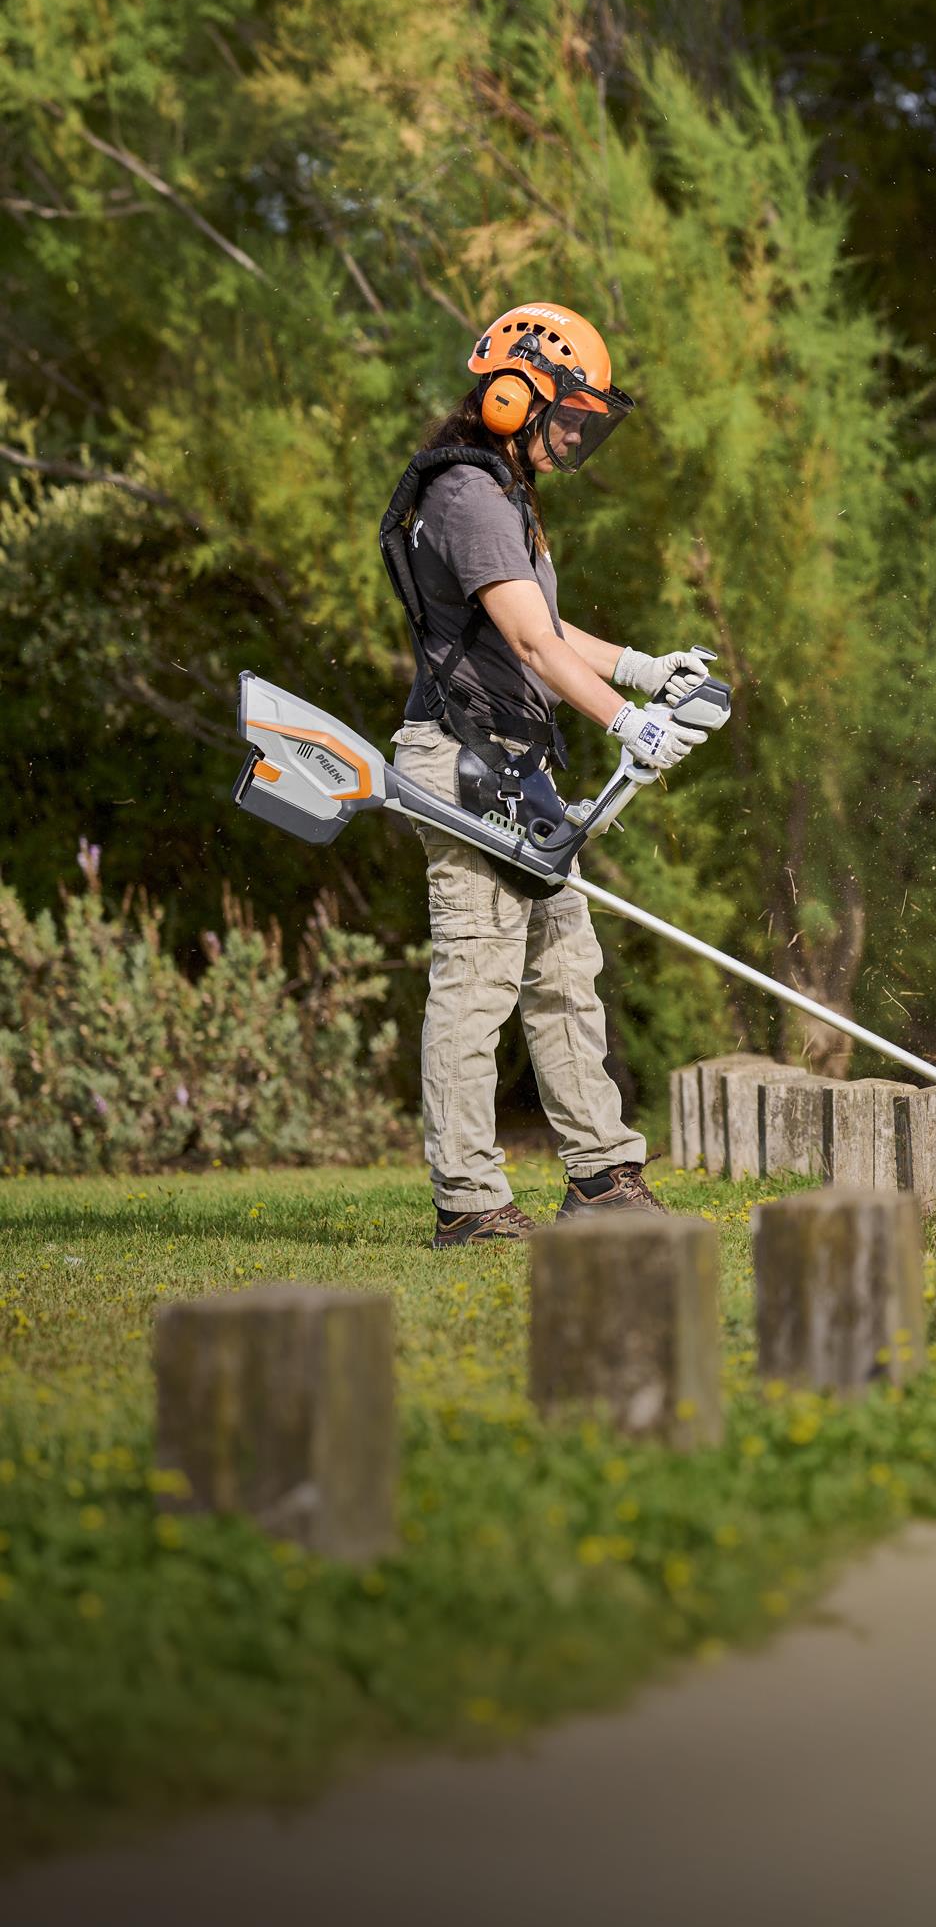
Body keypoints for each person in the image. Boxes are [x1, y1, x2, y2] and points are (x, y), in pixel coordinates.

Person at [382, 302, 715, 1248]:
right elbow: (530, 644)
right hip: (461, 759)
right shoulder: (470, 496)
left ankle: (602, 1177)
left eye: (585, 422)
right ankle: (469, 1201)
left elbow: (549, 630)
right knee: (478, 980)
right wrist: (627, 723)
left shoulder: (504, 497)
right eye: (567, 414)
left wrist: (645, 671)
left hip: (513, 764)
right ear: (511, 394)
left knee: (566, 972)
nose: (574, 435)